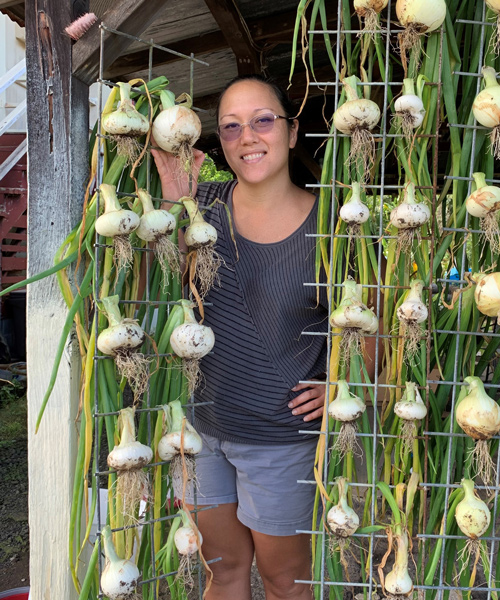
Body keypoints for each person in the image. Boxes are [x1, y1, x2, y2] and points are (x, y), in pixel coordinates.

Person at [152, 74, 330, 600]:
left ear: (292, 132)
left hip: (280, 438)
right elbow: (159, 292)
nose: (247, 137)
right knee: (223, 572)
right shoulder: (198, 204)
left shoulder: (333, 227)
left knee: (284, 582)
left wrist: (346, 384)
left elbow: (378, 320)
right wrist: (171, 206)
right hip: (200, 427)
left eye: (263, 121)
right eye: (230, 128)